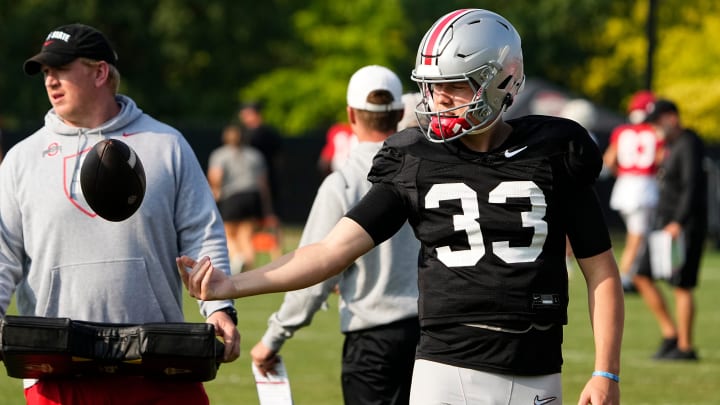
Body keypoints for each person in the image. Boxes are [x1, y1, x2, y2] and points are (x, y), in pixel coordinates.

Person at [179, 9, 623, 405]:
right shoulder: (414, 158)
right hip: (444, 369)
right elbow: (330, 251)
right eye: (431, 87)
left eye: (451, 85)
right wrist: (229, 286)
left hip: (535, 368)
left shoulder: (554, 151)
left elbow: (601, 271)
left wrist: (606, 371)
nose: (437, 100)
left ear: (502, 78)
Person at [0, 23, 240, 404]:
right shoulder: (21, 160)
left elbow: (202, 234)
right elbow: (3, 255)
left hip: (159, 366)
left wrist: (220, 308)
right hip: (58, 369)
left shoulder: (166, 144)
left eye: (61, 68)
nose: (51, 81)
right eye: (45, 72)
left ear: (99, 72)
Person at [250, 65, 420, 405]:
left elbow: (315, 272)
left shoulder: (342, 182)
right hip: (432, 337)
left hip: (372, 341)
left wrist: (273, 337)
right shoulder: (429, 171)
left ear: (350, 114)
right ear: (400, 113)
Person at [633, 99, 708, 361]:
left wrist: (679, 221)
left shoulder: (689, 143)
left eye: (657, 121)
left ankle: (685, 347)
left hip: (683, 226)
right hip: (665, 224)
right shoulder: (671, 146)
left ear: (672, 117)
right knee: (641, 276)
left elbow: (692, 186)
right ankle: (670, 333)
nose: (654, 127)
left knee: (682, 285)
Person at [603, 91, 664, 292]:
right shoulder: (655, 132)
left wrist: (623, 174)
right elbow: (661, 159)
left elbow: (609, 160)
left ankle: (632, 274)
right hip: (644, 185)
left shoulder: (622, 131)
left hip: (624, 184)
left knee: (637, 234)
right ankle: (625, 275)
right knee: (636, 236)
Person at [208, 123, 274, 273]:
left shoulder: (220, 154)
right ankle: (249, 272)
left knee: (227, 232)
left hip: (232, 197)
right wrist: (267, 207)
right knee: (246, 234)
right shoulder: (255, 155)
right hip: (253, 197)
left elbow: (216, 177)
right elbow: (263, 183)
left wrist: (215, 192)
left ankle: (237, 257)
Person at [238, 102, 284, 216]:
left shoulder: (267, 134)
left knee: (268, 212)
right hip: (244, 178)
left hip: (264, 177)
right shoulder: (242, 133)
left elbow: (277, 156)